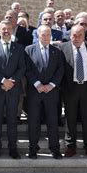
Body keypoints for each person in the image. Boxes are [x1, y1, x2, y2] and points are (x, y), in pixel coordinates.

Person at [0, 20, 26, 159]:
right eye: (3, 29)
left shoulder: (19, 48)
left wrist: (11, 82)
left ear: (12, 30)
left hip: (14, 89)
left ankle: (13, 148)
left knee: (12, 120)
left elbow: (22, 68)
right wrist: (3, 81)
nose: (6, 31)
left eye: (9, 28)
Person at [24, 25, 64, 159]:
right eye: (43, 35)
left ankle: (55, 149)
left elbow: (60, 69)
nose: (46, 37)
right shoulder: (29, 50)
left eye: (48, 35)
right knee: (33, 121)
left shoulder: (56, 51)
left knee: (52, 121)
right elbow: (27, 69)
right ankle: (33, 149)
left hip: (51, 92)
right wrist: (37, 84)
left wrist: (52, 85)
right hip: (35, 92)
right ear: (38, 36)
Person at [60, 24, 87, 158]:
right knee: (70, 118)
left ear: (84, 36)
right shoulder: (63, 48)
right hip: (70, 87)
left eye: (79, 35)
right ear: (70, 36)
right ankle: (70, 147)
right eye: (74, 35)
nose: (76, 38)